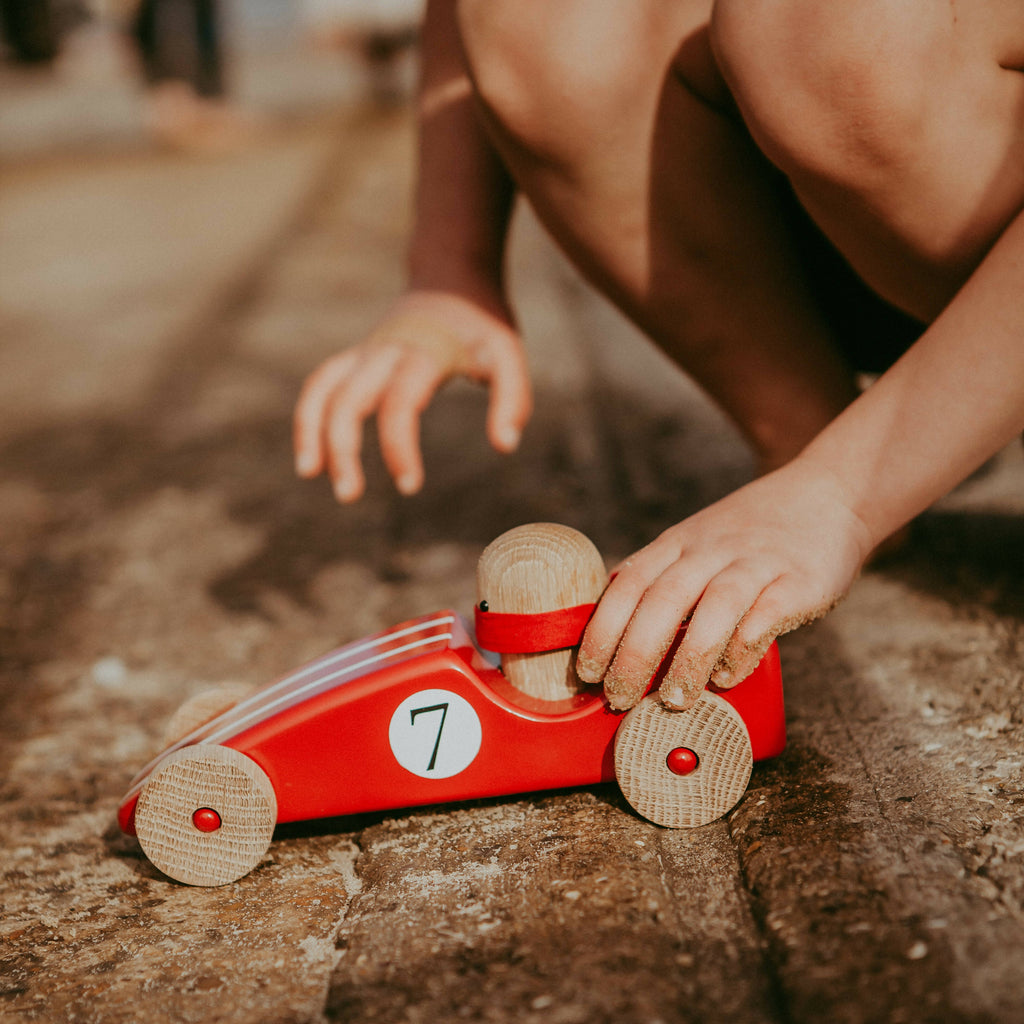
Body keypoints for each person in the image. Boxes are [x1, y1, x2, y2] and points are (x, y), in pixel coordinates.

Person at [293, 1, 1024, 713]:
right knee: (541, 21)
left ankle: (852, 480)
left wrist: (845, 493)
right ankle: (809, 445)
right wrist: (450, 269)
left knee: (827, 25)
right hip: (841, 239)